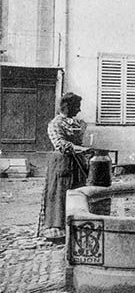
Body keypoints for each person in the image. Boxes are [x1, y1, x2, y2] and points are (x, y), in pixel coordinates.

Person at [39, 93, 90, 241]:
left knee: (78, 193)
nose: (79, 110)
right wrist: (83, 150)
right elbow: (61, 145)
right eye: (77, 106)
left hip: (77, 163)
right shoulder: (55, 124)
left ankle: (75, 228)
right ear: (67, 107)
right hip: (61, 163)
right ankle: (57, 231)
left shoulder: (76, 123)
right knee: (59, 194)